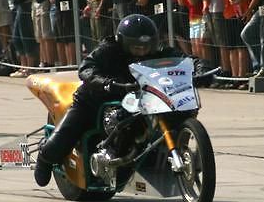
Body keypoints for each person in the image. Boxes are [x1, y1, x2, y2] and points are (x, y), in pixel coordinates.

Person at [34, 14, 173, 186]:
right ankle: (44, 155)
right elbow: (86, 68)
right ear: (123, 42)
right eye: (137, 48)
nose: (142, 52)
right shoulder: (108, 49)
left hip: (135, 102)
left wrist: (199, 67)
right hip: (93, 102)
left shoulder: (158, 51)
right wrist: (107, 83)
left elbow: (184, 59)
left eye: (146, 47)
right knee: (59, 144)